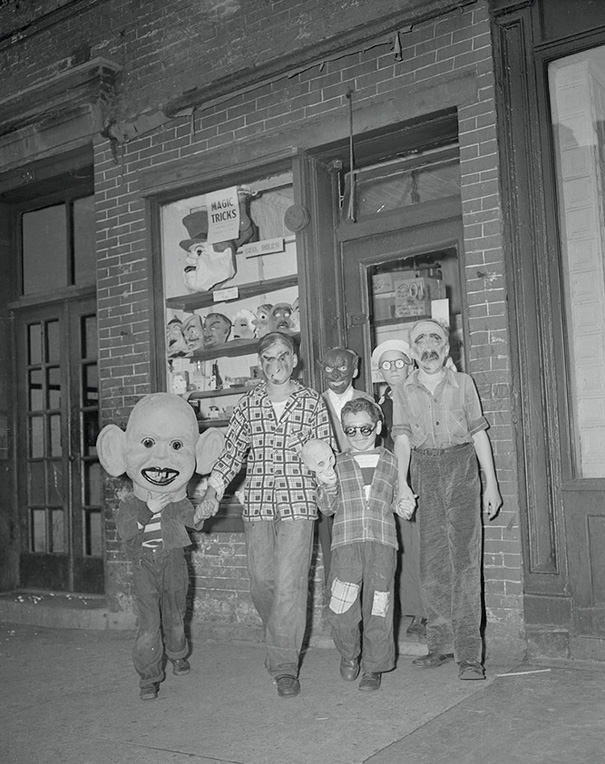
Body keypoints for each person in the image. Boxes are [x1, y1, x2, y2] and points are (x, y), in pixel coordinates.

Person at [196, 332, 333, 698]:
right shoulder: (248, 404)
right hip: (256, 503)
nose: (278, 365)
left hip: (299, 504)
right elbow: (230, 455)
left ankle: (285, 667)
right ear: (260, 363)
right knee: (261, 582)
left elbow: (325, 453)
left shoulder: (311, 402)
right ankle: (280, 639)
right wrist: (212, 494)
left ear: (295, 360)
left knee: (290, 585)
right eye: (270, 358)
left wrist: (327, 489)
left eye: (284, 356)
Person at [392, 319, 502, 680]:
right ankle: (440, 645)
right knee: (433, 563)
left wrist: (491, 485)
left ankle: (470, 656)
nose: (428, 348)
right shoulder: (403, 392)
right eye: (420, 341)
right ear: (413, 351)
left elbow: (479, 435)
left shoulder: (464, 383)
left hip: (461, 468)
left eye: (435, 340)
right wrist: (402, 484)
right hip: (425, 470)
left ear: (446, 347)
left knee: (466, 562)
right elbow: (403, 440)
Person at [95, 393, 224, 700]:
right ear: (119, 451)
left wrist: (204, 509)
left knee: (176, 614)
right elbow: (127, 529)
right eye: (149, 443)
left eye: (177, 446)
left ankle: (178, 652)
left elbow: (194, 521)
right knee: (149, 623)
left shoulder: (177, 501)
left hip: (175, 562)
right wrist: (148, 506)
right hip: (144, 567)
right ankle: (149, 676)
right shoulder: (129, 505)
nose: (162, 458)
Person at [316, 397, 403, 692]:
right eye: (350, 430)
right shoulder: (336, 463)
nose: (358, 436)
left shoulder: (393, 462)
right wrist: (326, 486)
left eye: (364, 429)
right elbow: (327, 508)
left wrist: (405, 504)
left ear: (377, 427)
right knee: (341, 608)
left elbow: (399, 500)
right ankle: (349, 653)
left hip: (382, 543)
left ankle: (374, 667)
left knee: (378, 607)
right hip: (346, 543)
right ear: (343, 431)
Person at [372, 339, 426, 640]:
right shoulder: (381, 404)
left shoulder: (420, 395)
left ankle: (432, 609)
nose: (393, 369)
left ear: (411, 364)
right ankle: (416, 610)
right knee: (404, 545)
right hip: (395, 479)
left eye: (398, 363)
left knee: (426, 545)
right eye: (386, 364)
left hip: (422, 475)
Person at [318, 346, 375, 581]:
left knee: (366, 549)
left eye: (342, 367)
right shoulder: (315, 402)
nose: (336, 374)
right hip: (328, 487)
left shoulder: (366, 400)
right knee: (333, 549)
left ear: (355, 369)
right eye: (329, 368)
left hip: (361, 486)